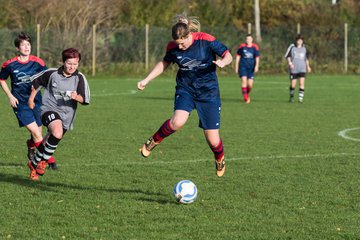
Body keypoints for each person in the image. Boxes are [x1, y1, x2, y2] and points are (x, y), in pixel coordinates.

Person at [137, 14, 232, 177]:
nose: (180, 47)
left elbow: (228, 54)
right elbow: (164, 63)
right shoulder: (173, 47)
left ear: (189, 35)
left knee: (213, 140)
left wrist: (223, 62)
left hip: (208, 93)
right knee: (177, 122)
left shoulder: (206, 40)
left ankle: (220, 158)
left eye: (182, 43)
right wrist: (146, 79)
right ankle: (152, 141)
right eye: (177, 44)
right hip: (186, 89)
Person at [27, 48, 90, 180]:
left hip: (67, 116)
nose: (72, 66)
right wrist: (31, 99)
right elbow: (36, 82)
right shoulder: (52, 73)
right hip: (48, 109)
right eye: (69, 63)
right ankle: (44, 162)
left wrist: (77, 97)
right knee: (57, 132)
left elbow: (85, 99)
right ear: (63, 62)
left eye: (75, 64)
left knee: (47, 142)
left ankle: (34, 164)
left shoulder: (80, 78)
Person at [0, 32, 57, 169]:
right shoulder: (10, 64)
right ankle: (50, 162)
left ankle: (31, 146)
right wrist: (10, 96)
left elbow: (47, 77)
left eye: (28, 44)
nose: (26, 47)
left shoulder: (38, 62)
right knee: (37, 134)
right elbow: (2, 79)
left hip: (36, 101)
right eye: (23, 45)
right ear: (17, 48)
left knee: (38, 135)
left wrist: (39, 85)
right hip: (20, 104)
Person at [284, 34, 311, 103]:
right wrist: (290, 63)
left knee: (302, 83)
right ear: (296, 41)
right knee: (293, 84)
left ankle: (300, 99)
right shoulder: (292, 47)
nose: (300, 42)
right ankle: (291, 97)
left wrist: (308, 66)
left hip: (302, 68)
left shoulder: (304, 48)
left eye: (301, 40)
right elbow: (288, 56)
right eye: (298, 40)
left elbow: (306, 58)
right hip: (294, 69)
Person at [235, 34, 260, 104]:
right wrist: (236, 67)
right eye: (247, 39)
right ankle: (246, 98)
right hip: (243, 67)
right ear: (245, 40)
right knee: (244, 82)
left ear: (252, 40)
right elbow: (238, 57)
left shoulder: (255, 47)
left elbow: (257, 57)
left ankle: (245, 93)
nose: (248, 40)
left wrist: (256, 66)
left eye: (249, 39)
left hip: (251, 68)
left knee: (250, 85)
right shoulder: (242, 46)